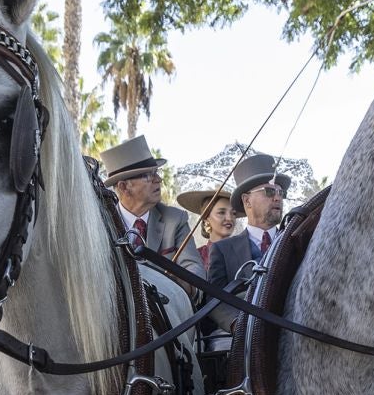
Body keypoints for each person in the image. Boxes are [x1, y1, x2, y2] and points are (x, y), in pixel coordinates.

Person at [205, 152, 292, 328]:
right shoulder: (223, 249)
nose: (277, 198)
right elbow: (215, 299)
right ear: (247, 200)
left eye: (280, 192)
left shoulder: (294, 241)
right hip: (244, 339)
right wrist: (237, 325)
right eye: (269, 191)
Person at [100, 136, 205, 279]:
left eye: (156, 172)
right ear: (124, 187)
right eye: (148, 175)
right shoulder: (101, 224)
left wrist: (177, 286)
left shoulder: (175, 220)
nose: (159, 179)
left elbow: (194, 268)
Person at [176, 186, 238, 273]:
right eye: (221, 212)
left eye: (233, 213)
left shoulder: (244, 253)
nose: (229, 218)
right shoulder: (195, 257)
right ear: (206, 218)